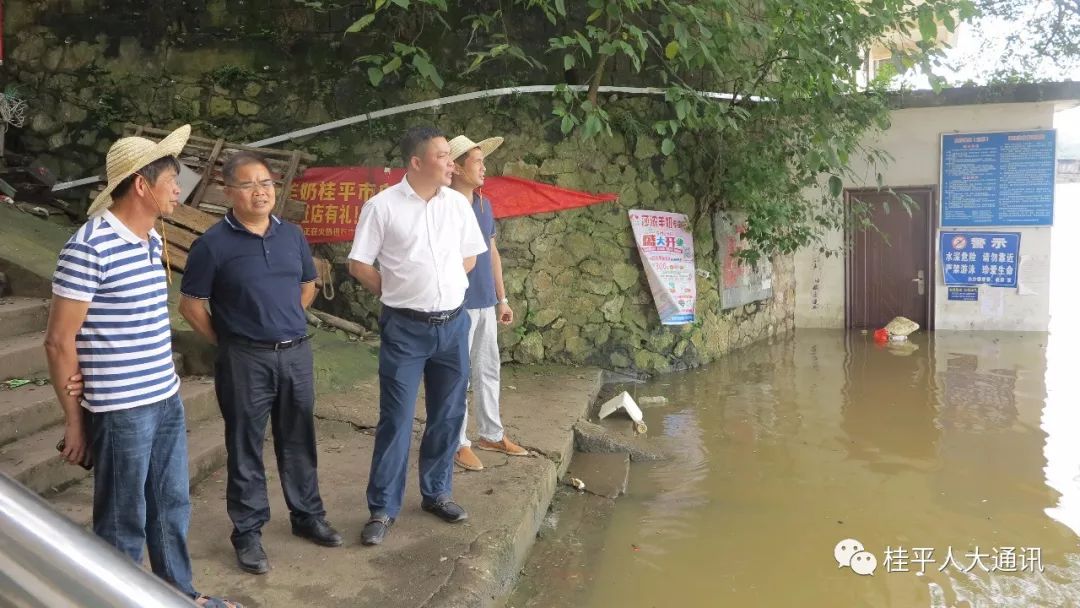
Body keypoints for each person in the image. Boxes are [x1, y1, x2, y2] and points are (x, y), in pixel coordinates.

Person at [44, 125, 241, 607]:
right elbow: (58, 341)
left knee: (171, 506)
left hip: (163, 397)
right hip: (120, 408)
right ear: (140, 184)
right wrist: (75, 421)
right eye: (172, 179)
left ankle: (178, 595)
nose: (180, 188)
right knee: (121, 519)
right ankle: (113, 600)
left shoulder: (152, 240)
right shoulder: (89, 246)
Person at [179, 151, 341, 575]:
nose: (260, 191)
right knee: (245, 445)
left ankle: (307, 516)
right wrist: (230, 339)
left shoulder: (292, 235)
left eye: (266, 183)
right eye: (249, 185)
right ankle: (248, 533)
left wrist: (285, 319)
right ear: (229, 191)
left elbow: (307, 284)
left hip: (295, 354)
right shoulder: (213, 245)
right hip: (244, 359)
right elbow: (191, 304)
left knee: (298, 438)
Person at [348, 126, 488, 546]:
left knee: (448, 415)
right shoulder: (383, 207)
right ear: (416, 162)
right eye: (444, 156)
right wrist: (400, 294)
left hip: (452, 325)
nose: (451, 163)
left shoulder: (458, 207)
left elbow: (469, 257)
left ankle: (437, 492)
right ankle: (382, 508)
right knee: (397, 418)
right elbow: (359, 264)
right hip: (405, 329)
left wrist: (441, 292)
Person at [447, 134, 529, 472]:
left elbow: (492, 251)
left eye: (483, 161)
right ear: (456, 168)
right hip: (455, 305)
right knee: (457, 376)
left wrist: (502, 298)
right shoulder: (443, 206)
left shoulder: (483, 204)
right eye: (477, 162)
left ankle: (491, 434)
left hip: (484, 301)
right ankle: (457, 442)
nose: (484, 168)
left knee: (488, 370)